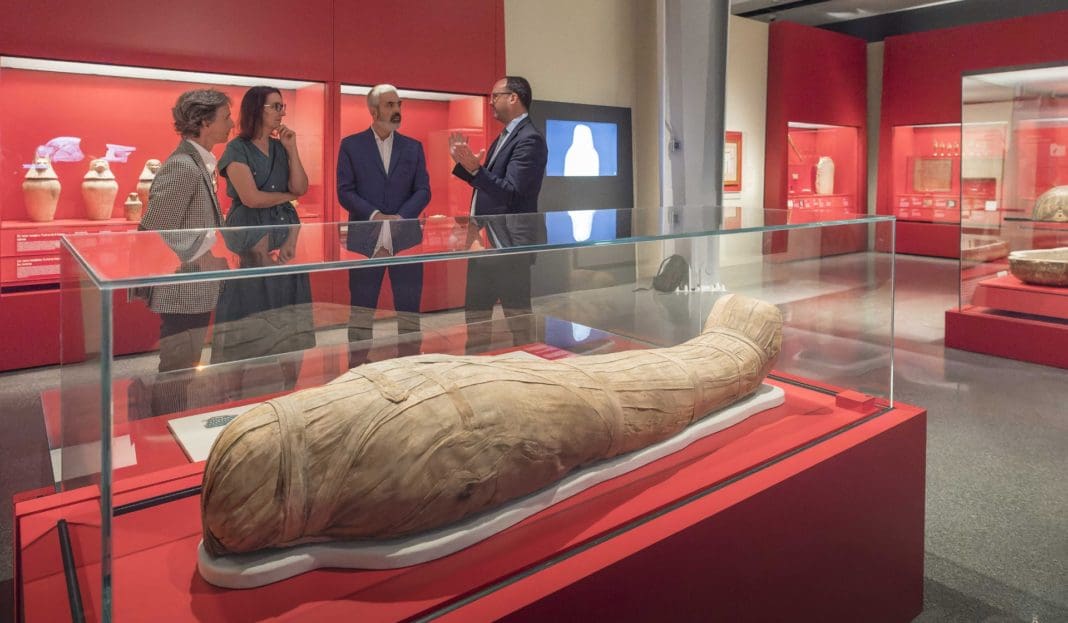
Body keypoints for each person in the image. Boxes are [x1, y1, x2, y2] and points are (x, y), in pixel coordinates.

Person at [209, 85, 315, 398]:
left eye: (283, 107)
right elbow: (251, 198)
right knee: (247, 314)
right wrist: (287, 196)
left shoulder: (281, 147)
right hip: (250, 239)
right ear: (258, 109)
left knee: (288, 316)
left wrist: (292, 148)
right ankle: (235, 394)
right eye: (276, 106)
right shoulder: (237, 149)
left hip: (284, 237)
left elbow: (301, 187)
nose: (282, 112)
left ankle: (289, 389)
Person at [139, 89, 233, 416]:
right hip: (182, 289)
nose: (231, 124)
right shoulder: (183, 167)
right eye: (225, 118)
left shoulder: (197, 163)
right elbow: (154, 232)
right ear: (204, 122)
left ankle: (170, 421)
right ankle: (165, 425)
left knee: (185, 364)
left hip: (193, 285)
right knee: (178, 367)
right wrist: (202, 251)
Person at [449, 76, 548, 354]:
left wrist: (476, 170)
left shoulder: (529, 139)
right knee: (477, 318)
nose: (490, 102)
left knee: (518, 322)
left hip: (509, 245)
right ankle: (478, 369)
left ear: (513, 97)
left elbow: (511, 192)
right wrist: (468, 168)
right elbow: (491, 185)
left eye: (495, 96)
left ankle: (525, 370)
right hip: (486, 244)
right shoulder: (505, 136)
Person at [337, 84, 431, 366]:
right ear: (373, 110)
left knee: (409, 311)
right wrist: (376, 215)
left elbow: (423, 190)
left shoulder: (413, 147)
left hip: (406, 240)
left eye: (399, 104)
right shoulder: (351, 145)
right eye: (390, 105)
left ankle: (411, 366)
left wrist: (401, 217)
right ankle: (357, 367)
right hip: (365, 239)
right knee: (361, 311)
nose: (397, 110)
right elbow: (345, 191)